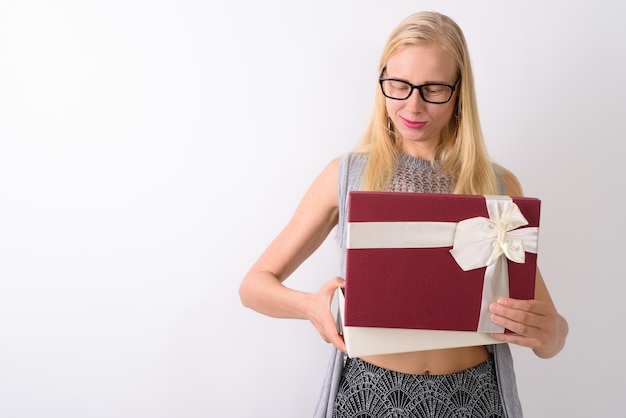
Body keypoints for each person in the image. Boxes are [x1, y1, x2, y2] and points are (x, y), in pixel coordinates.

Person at [239, 10, 568, 418]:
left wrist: (548, 334)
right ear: (381, 83)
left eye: (432, 89)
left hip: (474, 400)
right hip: (370, 398)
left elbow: (551, 330)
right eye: (398, 85)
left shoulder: (499, 187)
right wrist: (310, 306)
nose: (412, 105)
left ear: (459, 91)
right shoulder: (346, 175)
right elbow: (253, 286)